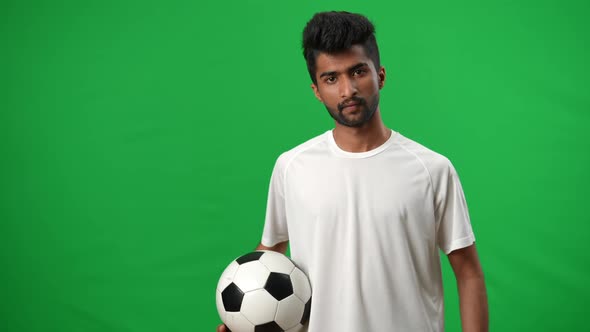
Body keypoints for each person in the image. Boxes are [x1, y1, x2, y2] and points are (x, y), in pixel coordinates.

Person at [218, 11, 488, 332]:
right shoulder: (292, 166)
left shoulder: (431, 169)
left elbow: (468, 273)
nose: (347, 90)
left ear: (381, 75)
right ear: (317, 90)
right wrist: (243, 316)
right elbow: (270, 251)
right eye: (331, 78)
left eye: (358, 72)